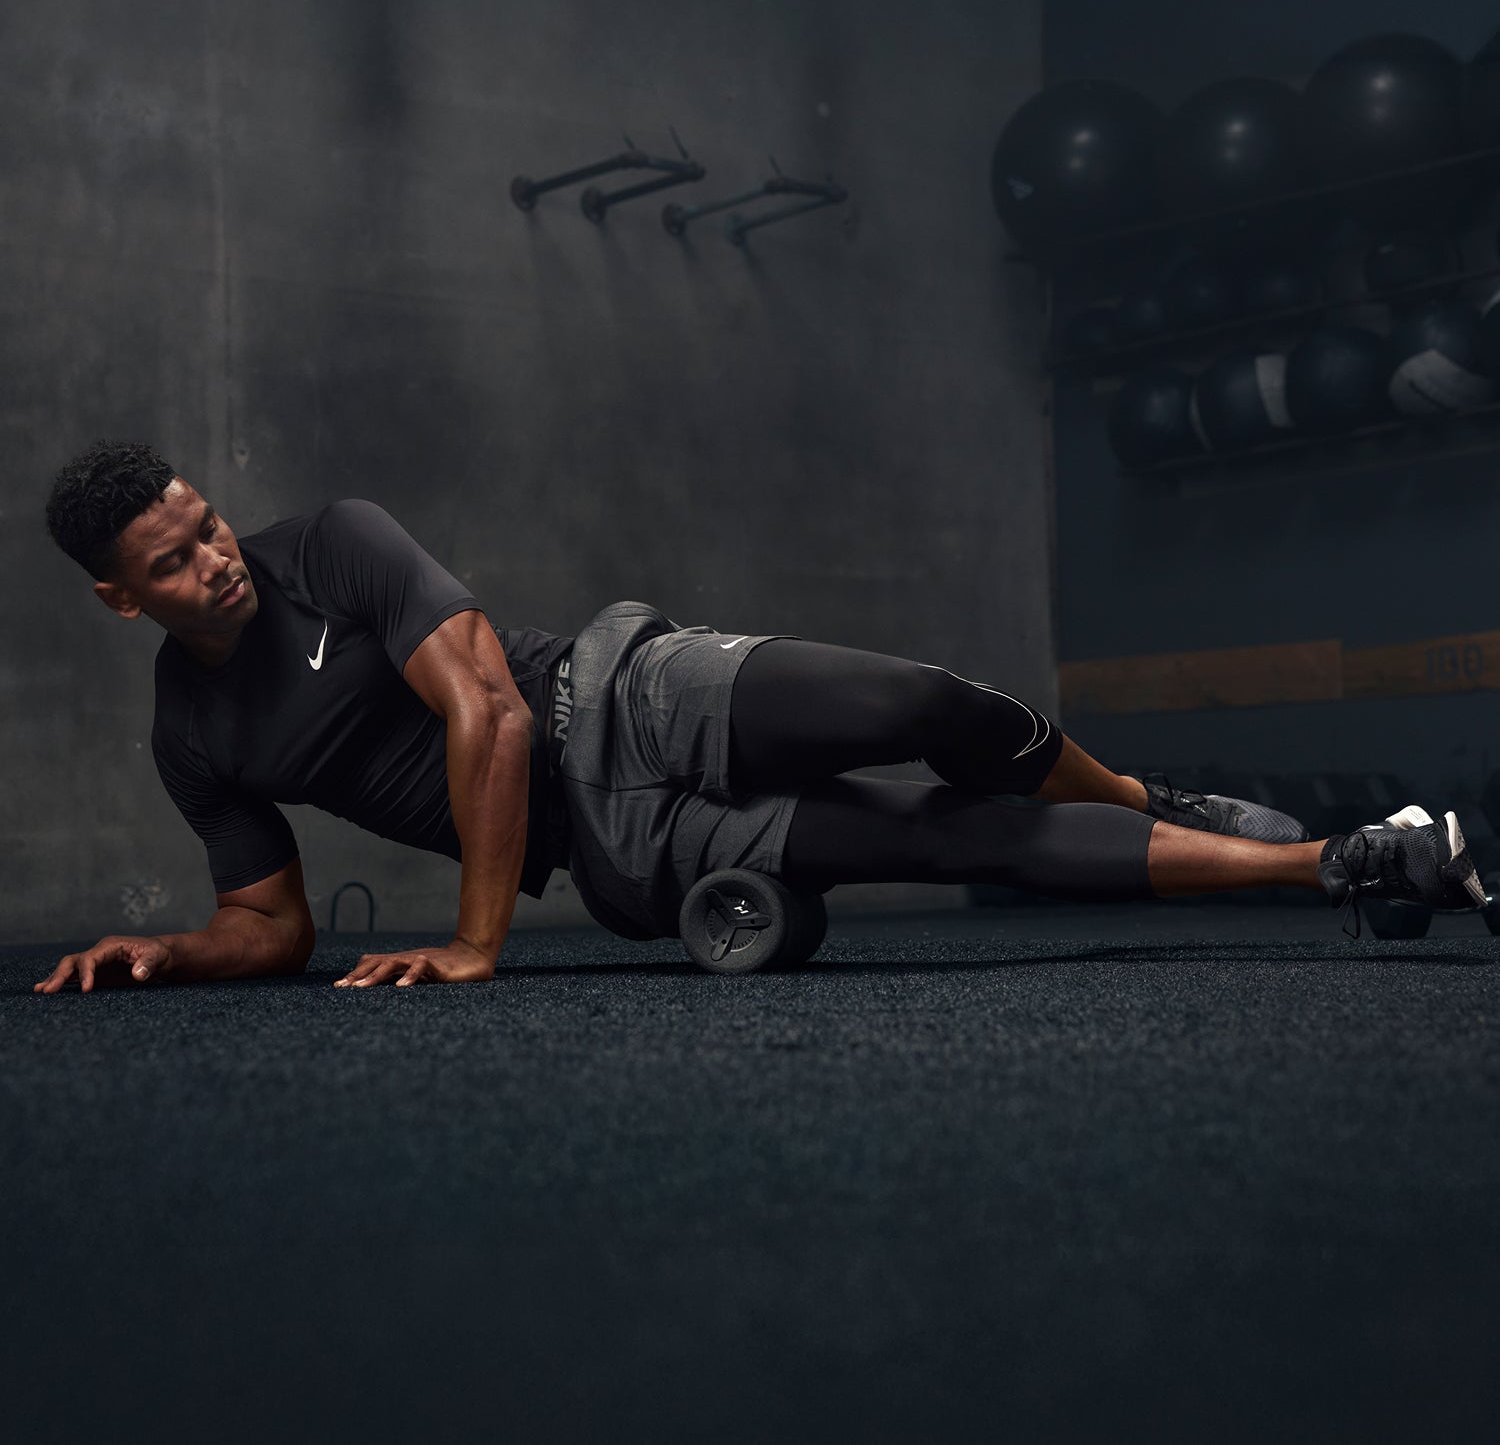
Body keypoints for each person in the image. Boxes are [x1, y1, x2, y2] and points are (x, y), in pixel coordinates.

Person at [34, 441, 1487, 994]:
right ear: (121, 600)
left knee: (918, 702)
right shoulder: (195, 739)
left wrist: (475, 945)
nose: (215, 560)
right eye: (175, 561)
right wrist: (171, 950)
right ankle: (1343, 865)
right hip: (627, 854)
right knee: (939, 840)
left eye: (209, 526)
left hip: (614, 693)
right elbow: (270, 925)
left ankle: (1143, 799)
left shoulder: (332, 543)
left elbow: (488, 716)